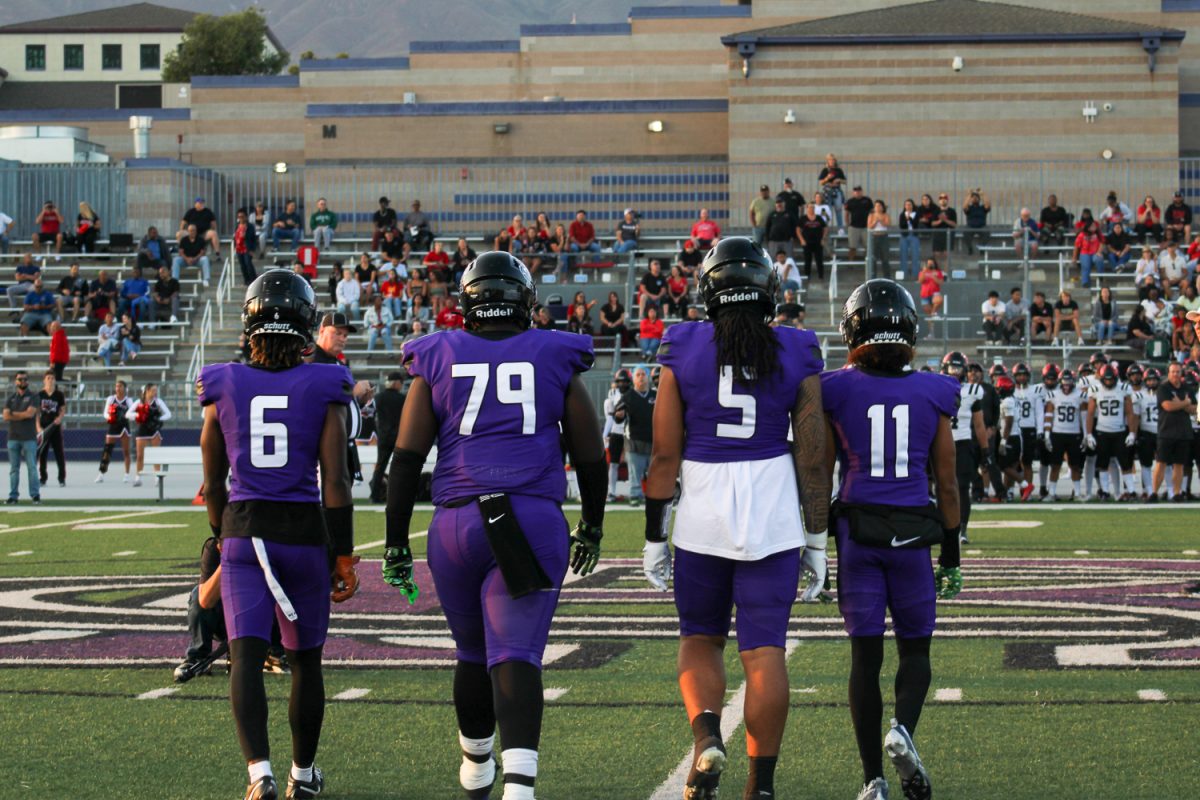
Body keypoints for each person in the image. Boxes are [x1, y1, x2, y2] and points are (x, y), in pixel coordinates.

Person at [382, 251, 605, 800]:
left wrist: (393, 544)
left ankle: (476, 767)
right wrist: (593, 527)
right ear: (525, 302)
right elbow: (591, 455)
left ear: (469, 302)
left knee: (472, 653)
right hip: (529, 517)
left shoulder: (438, 354)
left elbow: (406, 459)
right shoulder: (554, 353)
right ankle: (520, 789)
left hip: (455, 524)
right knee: (517, 653)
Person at [641, 237, 828, 800]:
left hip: (703, 501)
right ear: (770, 291)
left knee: (700, 637)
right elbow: (813, 455)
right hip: (771, 502)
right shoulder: (797, 347)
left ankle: (705, 738)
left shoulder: (684, 345)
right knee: (764, 648)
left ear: (708, 289)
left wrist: (654, 535)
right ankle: (761, 785)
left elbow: (664, 455)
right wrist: (817, 538)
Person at [198, 269, 357, 800]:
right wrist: (346, 555)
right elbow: (335, 480)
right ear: (307, 324)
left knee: (244, 656)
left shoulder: (223, 383)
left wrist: (225, 535)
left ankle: (259, 775)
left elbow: (213, 482)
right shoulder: (326, 382)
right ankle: (303, 776)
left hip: (246, 535)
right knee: (305, 661)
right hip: (304, 537)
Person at [820, 280, 961, 800]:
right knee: (916, 650)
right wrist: (951, 553)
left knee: (864, 658)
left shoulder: (833, 387)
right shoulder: (935, 390)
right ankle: (901, 730)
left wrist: (814, 541)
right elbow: (946, 484)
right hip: (914, 537)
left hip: (858, 533)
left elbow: (817, 469)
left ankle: (872, 779)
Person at [941, 352, 987, 541]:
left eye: (958, 368)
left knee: (962, 487)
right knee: (940, 487)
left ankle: (962, 529)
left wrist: (985, 450)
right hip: (941, 443)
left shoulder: (973, 390)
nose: (955, 372)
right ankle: (943, 526)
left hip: (963, 443)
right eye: (952, 367)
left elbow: (978, 424)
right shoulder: (937, 387)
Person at [1087, 363, 1139, 501]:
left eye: (1111, 379)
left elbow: (1130, 413)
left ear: (1116, 378)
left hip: (1119, 431)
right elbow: (1090, 414)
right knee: (1103, 464)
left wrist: (1132, 433)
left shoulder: (1123, 388)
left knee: (1125, 463)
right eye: (1106, 379)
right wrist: (1089, 434)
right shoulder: (1095, 389)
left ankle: (1132, 491)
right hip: (1102, 431)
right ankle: (1104, 491)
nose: (1109, 381)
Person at [1151, 361, 1195, 501]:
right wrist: (1185, 403)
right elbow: (1168, 406)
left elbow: (1195, 409)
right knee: (1161, 462)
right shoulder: (1163, 388)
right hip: (1166, 430)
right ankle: (1154, 493)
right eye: (1173, 372)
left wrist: (1181, 404)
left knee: (1179, 464)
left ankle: (1177, 493)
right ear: (1168, 373)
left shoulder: (1187, 388)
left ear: (1181, 373)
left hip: (1183, 431)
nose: (1175, 374)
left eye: (1178, 372)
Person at [1042, 367, 1087, 501]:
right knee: (1055, 465)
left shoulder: (1080, 395)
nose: (1066, 384)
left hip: (1074, 434)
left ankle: (1077, 493)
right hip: (1057, 433)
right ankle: (1052, 493)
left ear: (1073, 381)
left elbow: (1084, 417)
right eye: (1064, 381)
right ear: (1060, 381)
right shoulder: (1053, 395)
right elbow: (1049, 416)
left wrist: (1086, 435)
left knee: (1075, 466)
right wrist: (1046, 435)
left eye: (1069, 381)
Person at [613, 366, 655, 506]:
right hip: (634, 441)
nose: (641, 377)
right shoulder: (628, 396)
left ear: (648, 377)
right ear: (634, 378)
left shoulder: (655, 396)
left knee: (654, 473)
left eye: (644, 374)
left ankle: (654, 496)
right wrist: (619, 415)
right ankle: (635, 496)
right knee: (635, 473)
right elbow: (618, 414)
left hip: (653, 441)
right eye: (638, 374)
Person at [368, 371, 406, 503]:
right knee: (399, 468)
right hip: (399, 438)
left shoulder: (379, 397)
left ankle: (374, 496)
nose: (401, 385)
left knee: (380, 467)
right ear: (396, 383)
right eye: (401, 383)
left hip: (383, 437)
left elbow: (370, 415)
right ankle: (398, 497)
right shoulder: (403, 399)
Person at [4, 371, 40, 505]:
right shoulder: (10, 398)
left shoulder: (33, 396)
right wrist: (21, 414)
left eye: (25, 379)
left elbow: (30, 414)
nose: (22, 382)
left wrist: (14, 414)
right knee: (14, 469)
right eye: (20, 379)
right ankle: (13, 496)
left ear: (28, 381)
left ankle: (35, 495)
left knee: (32, 468)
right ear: (16, 381)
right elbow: (6, 416)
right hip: (13, 437)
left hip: (28, 437)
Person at [127, 383, 170, 487]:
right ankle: (138, 478)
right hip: (142, 430)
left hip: (154, 430)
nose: (155, 392)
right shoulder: (139, 402)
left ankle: (157, 478)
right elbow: (127, 414)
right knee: (140, 456)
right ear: (147, 390)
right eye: (153, 390)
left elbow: (168, 414)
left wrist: (157, 419)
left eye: (156, 390)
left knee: (156, 455)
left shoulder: (158, 401)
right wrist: (139, 415)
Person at [95, 379, 132, 483]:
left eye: (120, 386)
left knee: (126, 451)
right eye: (116, 386)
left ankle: (126, 475)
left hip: (124, 427)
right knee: (107, 450)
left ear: (125, 388)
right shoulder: (111, 399)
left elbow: (132, 413)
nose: (118, 388)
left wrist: (125, 416)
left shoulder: (128, 400)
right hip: (113, 426)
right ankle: (101, 474)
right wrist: (111, 417)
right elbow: (105, 413)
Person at [1131, 365, 1158, 497]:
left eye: (1154, 380)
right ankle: (1148, 490)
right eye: (1149, 380)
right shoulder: (1139, 395)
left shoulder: (1164, 394)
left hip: (1161, 432)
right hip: (1146, 432)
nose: (1151, 383)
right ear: (1145, 381)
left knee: (1166, 463)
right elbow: (1136, 417)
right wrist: (1133, 434)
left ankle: (1170, 490)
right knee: (1145, 464)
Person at [35, 372, 66, 488]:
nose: (50, 380)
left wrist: (60, 417)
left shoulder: (59, 394)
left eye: (52, 378)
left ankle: (61, 478)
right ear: (44, 380)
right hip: (43, 427)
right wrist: (38, 426)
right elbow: (37, 412)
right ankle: (43, 478)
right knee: (43, 454)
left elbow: (63, 408)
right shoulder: (40, 394)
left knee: (59, 454)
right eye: (48, 378)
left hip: (55, 426)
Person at [603, 368, 631, 501]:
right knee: (613, 463)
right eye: (620, 381)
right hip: (616, 431)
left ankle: (633, 490)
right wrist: (605, 434)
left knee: (632, 464)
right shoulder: (612, 395)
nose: (622, 384)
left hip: (630, 433)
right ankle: (611, 491)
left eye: (625, 381)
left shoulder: (633, 394)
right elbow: (609, 418)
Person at [796, 204, 827, 281]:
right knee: (807, 260)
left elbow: (825, 228)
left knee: (819, 260)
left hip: (818, 242)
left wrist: (823, 238)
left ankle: (821, 276)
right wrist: (801, 240)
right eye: (810, 207)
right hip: (807, 243)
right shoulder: (803, 218)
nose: (811, 209)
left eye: (813, 208)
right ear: (807, 209)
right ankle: (807, 276)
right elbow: (798, 229)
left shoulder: (819, 218)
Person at [233, 209, 257, 287]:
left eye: (242, 217)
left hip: (247, 248)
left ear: (246, 217)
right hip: (239, 248)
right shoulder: (237, 226)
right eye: (239, 217)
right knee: (242, 265)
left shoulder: (250, 226)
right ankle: (246, 280)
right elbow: (235, 237)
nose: (241, 218)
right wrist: (234, 246)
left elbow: (253, 238)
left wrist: (252, 249)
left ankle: (253, 279)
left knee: (248, 264)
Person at [867, 200, 891, 273]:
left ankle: (887, 276)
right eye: (876, 206)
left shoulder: (886, 215)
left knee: (885, 258)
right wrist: (875, 221)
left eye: (879, 206)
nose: (878, 207)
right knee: (873, 258)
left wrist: (880, 220)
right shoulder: (871, 215)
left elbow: (888, 224)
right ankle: (873, 275)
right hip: (874, 237)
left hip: (883, 237)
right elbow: (869, 226)